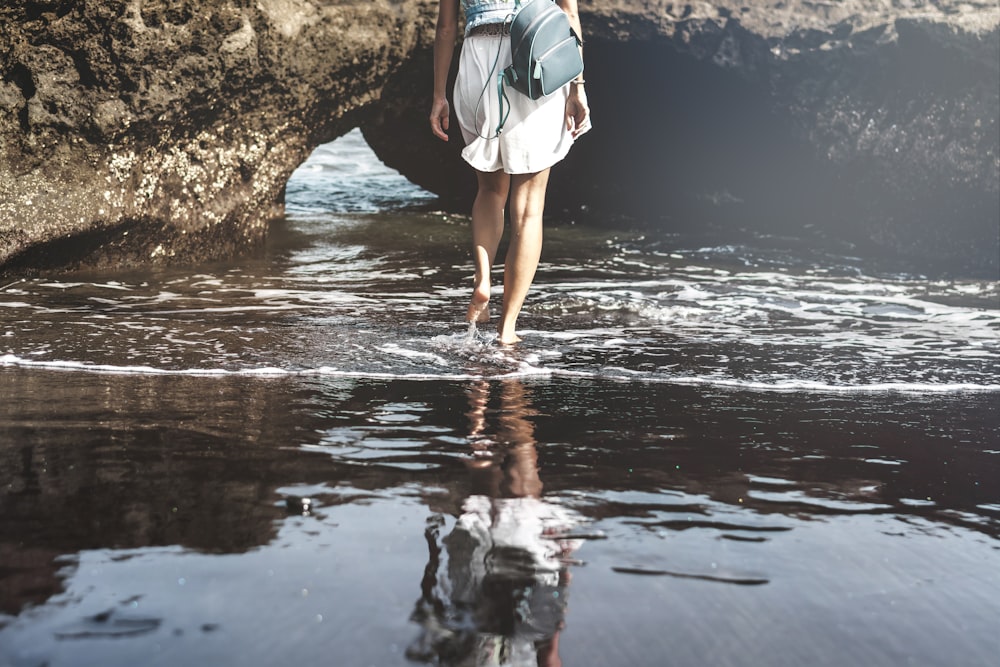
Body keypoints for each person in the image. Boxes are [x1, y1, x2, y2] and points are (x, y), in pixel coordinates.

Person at [430, 0, 591, 345]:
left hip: (476, 61)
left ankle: (483, 279)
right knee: (529, 208)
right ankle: (507, 330)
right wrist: (577, 86)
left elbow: (445, 28)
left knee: (490, 190)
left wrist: (438, 96)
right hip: (535, 55)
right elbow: (569, 14)